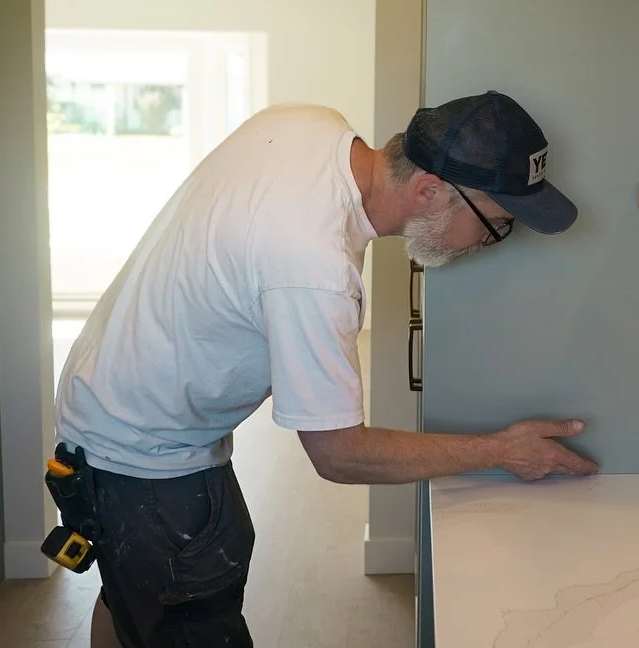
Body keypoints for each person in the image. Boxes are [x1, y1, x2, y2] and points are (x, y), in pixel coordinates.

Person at [50, 90, 599, 647]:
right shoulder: (315, 268)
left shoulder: (308, 123)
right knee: (182, 616)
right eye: (497, 223)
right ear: (429, 190)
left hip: (104, 403)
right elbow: (337, 454)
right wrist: (502, 451)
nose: (490, 242)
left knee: (132, 602)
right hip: (144, 456)